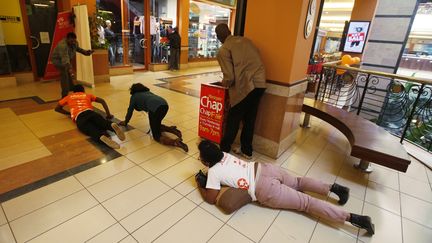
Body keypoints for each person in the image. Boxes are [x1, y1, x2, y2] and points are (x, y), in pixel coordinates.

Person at [195, 140, 375, 235]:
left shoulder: (214, 172)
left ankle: (355, 219)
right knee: (298, 182)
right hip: (266, 168)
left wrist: (201, 185)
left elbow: (211, 199)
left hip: (264, 188)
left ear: (206, 161)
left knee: (306, 203)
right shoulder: (225, 154)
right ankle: (335, 188)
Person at [215, 23, 267, 160]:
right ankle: (247, 151)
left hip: (246, 87)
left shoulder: (223, 49)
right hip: (260, 83)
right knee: (250, 119)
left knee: (233, 118)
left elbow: (230, 77)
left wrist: (223, 83)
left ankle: (224, 151)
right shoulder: (246, 40)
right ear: (229, 31)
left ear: (218, 37)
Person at [119, 83, 188, 152]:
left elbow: (130, 110)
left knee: (156, 136)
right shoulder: (147, 92)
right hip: (165, 105)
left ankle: (175, 142)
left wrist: (126, 122)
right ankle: (172, 130)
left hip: (154, 109)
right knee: (156, 124)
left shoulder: (134, 96)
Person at [55, 84, 125, 149]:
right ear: (83, 91)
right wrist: (108, 114)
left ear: (73, 92)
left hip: (79, 117)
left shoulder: (69, 97)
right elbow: (102, 101)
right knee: (102, 122)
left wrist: (69, 113)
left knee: (91, 130)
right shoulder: (87, 95)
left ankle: (101, 137)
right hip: (91, 112)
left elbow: (57, 108)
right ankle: (111, 125)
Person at [51, 32, 93, 98]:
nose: (73, 42)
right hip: (59, 61)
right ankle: (64, 95)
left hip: (67, 60)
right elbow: (65, 58)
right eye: (71, 41)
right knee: (64, 75)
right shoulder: (62, 45)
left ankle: (71, 88)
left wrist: (86, 52)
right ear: (67, 39)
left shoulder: (74, 42)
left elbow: (78, 49)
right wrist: (69, 68)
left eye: (74, 40)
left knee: (68, 75)